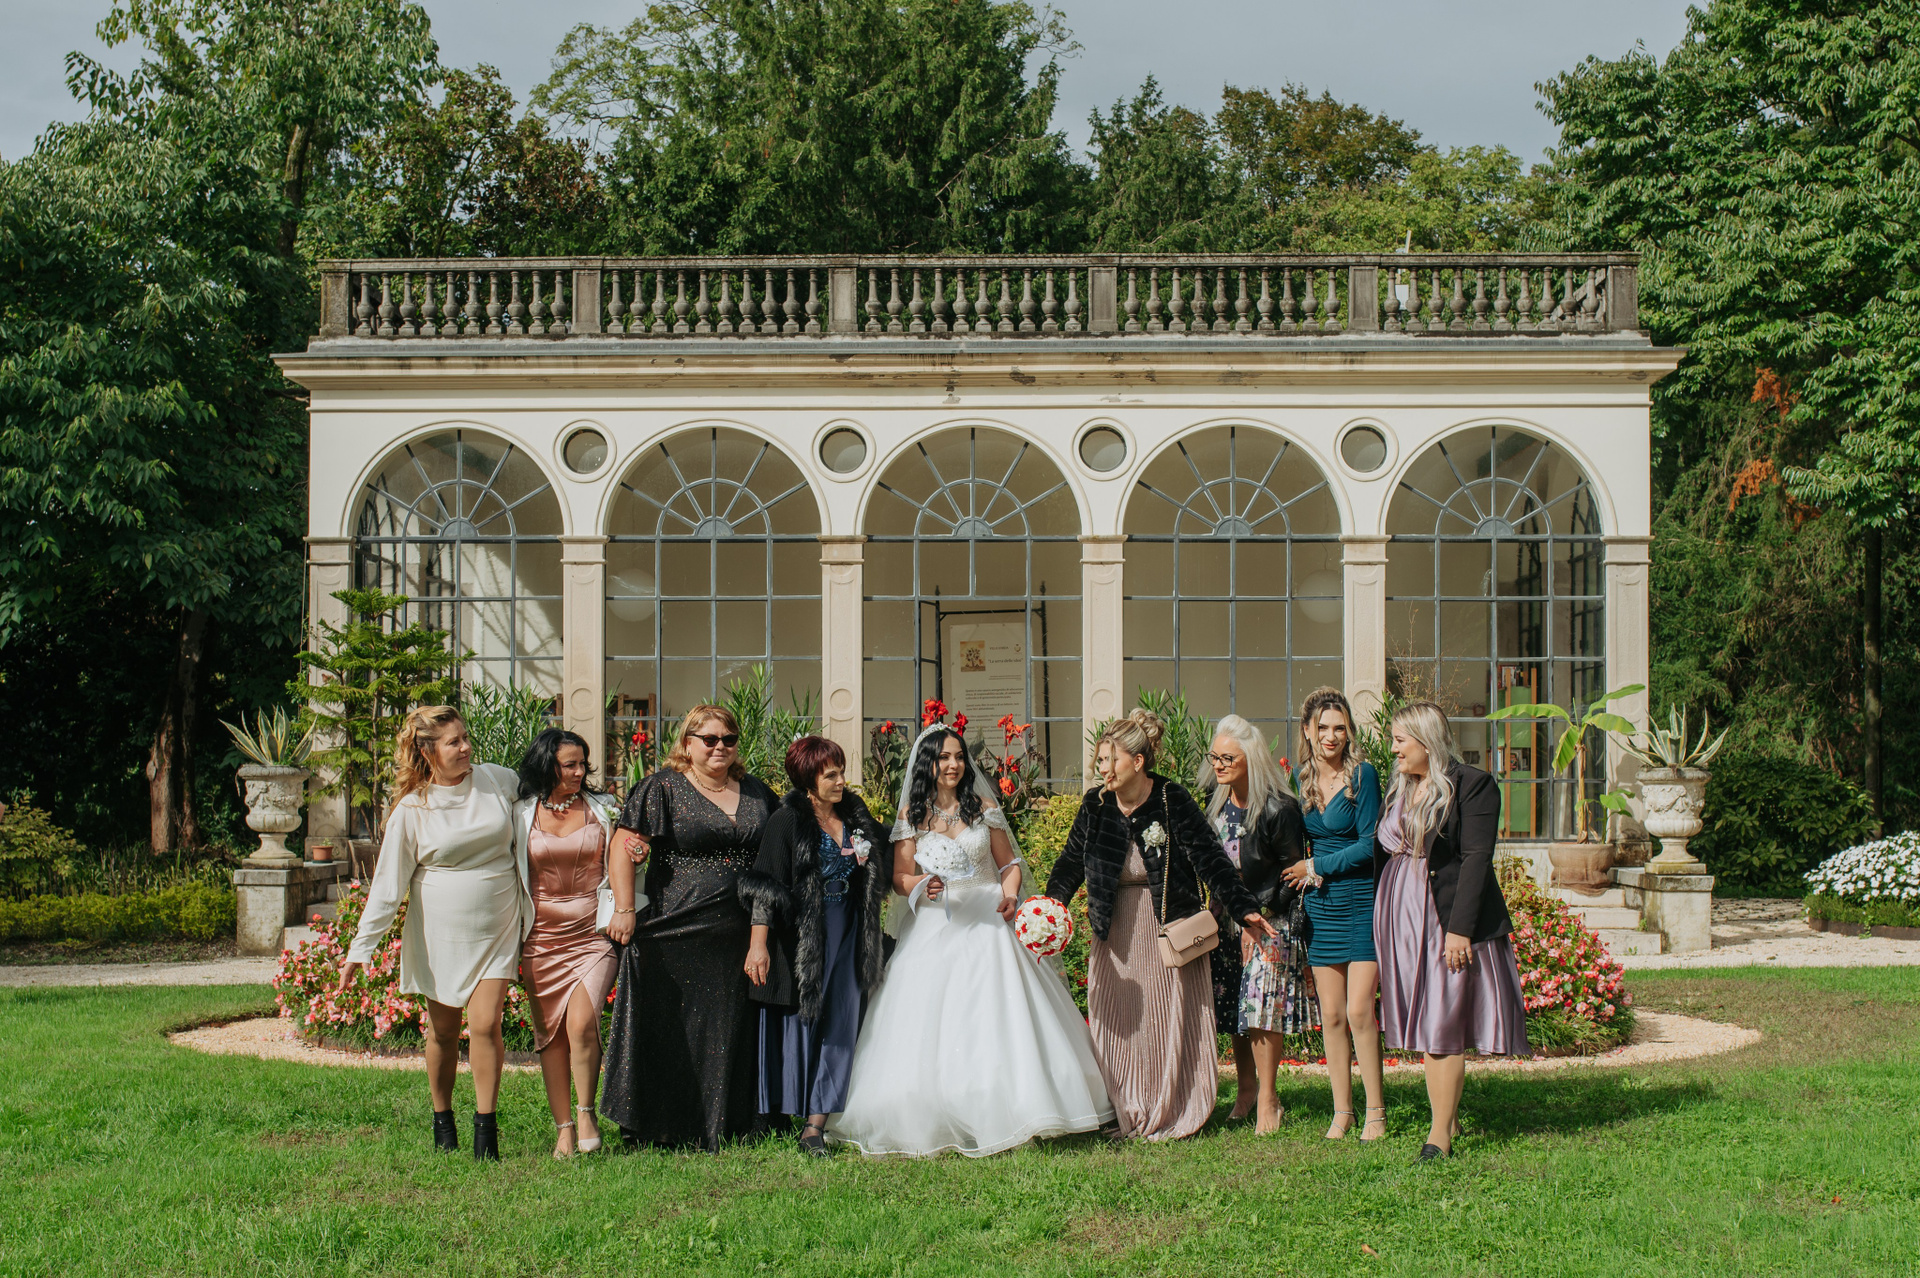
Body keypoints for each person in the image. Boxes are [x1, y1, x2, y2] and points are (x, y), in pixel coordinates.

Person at [827, 723, 1113, 1157]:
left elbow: (1008, 864)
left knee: (1003, 1014)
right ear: (928, 763)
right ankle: (937, 1108)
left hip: (989, 920)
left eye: (959, 756)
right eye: (944, 757)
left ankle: (1023, 1103)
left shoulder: (983, 808)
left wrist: (1011, 894)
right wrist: (922, 884)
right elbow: (900, 878)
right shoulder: (911, 817)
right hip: (935, 926)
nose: (954, 764)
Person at [1047, 709, 1274, 1142]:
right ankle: (1125, 1105)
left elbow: (1210, 858)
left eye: (1111, 760)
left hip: (1167, 930)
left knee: (1162, 1020)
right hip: (1114, 929)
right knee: (1119, 1020)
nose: (1103, 769)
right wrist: (1049, 906)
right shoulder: (1095, 805)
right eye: (1100, 760)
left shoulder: (1172, 798)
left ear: (1137, 761)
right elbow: (1071, 861)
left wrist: (1243, 908)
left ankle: (1170, 1104)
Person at [337, 705, 531, 1160]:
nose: (465, 748)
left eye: (465, 737)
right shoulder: (412, 809)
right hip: (439, 935)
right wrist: (360, 950)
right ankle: (443, 1122)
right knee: (443, 1033)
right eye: (453, 742)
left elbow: (544, 806)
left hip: (498, 925)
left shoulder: (498, 780)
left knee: (485, 1024)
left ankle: (486, 1134)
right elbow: (388, 886)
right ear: (427, 752)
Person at [601, 705, 779, 1151]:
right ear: (687, 743)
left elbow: (777, 854)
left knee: (728, 1030)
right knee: (672, 1027)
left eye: (729, 739)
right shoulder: (662, 788)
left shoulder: (757, 791)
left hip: (739, 933)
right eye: (709, 739)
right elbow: (624, 846)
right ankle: (662, 1126)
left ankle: (729, 1124)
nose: (720, 747)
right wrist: (625, 908)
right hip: (676, 927)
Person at [1374, 701, 1529, 1162]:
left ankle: (1439, 1134)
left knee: (1441, 1020)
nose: (1394, 749)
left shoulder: (1472, 785)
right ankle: (1449, 1115)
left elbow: (1477, 858)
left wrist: (1459, 931)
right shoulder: (1400, 787)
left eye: (1400, 740)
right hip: (1403, 921)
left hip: (1443, 919)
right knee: (1427, 1020)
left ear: (1426, 741)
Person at [738, 736, 892, 1156]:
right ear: (808, 780)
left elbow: (890, 853)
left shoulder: (856, 815)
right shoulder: (786, 820)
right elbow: (765, 888)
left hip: (852, 930)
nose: (841, 781)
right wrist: (758, 944)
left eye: (841, 772)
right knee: (803, 1020)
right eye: (831, 775)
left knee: (842, 1018)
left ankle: (815, 1125)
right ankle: (792, 1107)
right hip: (803, 935)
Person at [1201, 715, 1317, 1135]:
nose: (1218, 765)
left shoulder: (1279, 808)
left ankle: (1269, 1098)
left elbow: (1293, 875)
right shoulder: (1215, 801)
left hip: (1270, 922)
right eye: (1214, 757)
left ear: (1250, 759)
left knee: (1261, 1005)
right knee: (1236, 1003)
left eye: (1227, 758)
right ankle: (1245, 1090)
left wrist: (1259, 919)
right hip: (1226, 920)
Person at [1282, 687, 1386, 1142]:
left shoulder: (1363, 776)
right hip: (1321, 909)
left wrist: (1316, 866)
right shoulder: (1300, 780)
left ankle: (1376, 1112)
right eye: (1322, 727)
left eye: (1339, 727)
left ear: (1349, 732)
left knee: (1360, 1011)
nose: (1331, 736)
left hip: (1361, 901)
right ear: (1307, 731)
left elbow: (1370, 845)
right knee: (1333, 1016)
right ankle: (1342, 1111)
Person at [513, 728, 622, 1159]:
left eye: (582, 764)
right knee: (551, 1037)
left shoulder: (604, 808)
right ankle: (563, 1128)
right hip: (540, 939)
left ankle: (586, 1112)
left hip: (593, 936)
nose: (579, 772)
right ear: (547, 766)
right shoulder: (520, 813)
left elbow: (624, 862)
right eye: (569, 765)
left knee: (581, 1023)